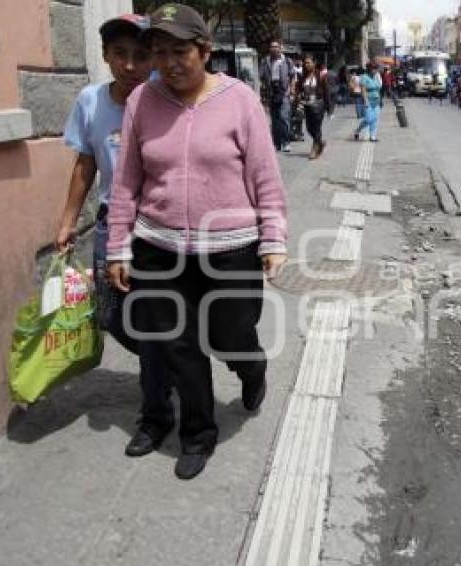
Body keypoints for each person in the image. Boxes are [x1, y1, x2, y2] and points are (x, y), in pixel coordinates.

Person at [107, 4, 288, 480]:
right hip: (159, 246)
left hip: (232, 247)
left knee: (231, 335)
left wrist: (274, 239)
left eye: (179, 51)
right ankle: (198, 434)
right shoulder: (141, 103)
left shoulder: (240, 99)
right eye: (159, 52)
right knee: (180, 345)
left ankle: (252, 369)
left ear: (205, 50)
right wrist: (118, 247)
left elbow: (265, 176)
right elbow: (126, 183)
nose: (168, 62)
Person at [55, 13, 174, 460]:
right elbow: (85, 163)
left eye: (141, 56)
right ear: (105, 56)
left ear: (154, 60)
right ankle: (167, 363)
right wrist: (67, 220)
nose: (129, 65)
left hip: (158, 228)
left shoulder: (166, 99)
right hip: (110, 225)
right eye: (120, 54)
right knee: (113, 317)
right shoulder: (90, 101)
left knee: (154, 324)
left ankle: (155, 413)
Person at [259, 39, 296, 152]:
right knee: (274, 120)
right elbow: (260, 76)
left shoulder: (287, 61)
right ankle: (276, 143)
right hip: (271, 93)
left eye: (276, 46)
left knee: (284, 117)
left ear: (280, 48)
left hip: (284, 92)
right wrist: (263, 90)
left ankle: (286, 142)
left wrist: (292, 91)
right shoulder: (265, 61)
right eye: (271, 46)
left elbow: (293, 76)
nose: (273, 48)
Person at [297, 54, 332, 160]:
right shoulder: (303, 76)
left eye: (308, 62)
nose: (306, 64)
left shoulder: (320, 75)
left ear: (314, 63)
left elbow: (326, 91)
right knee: (308, 127)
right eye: (305, 63)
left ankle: (314, 150)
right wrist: (298, 96)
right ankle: (320, 142)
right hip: (307, 105)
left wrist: (329, 108)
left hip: (318, 105)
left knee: (316, 127)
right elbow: (299, 88)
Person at [354, 62, 382, 142]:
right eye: (374, 69)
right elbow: (363, 90)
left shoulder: (376, 77)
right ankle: (357, 130)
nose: (375, 71)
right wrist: (365, 101)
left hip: (376, 101)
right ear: (369, 69)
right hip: (368, 101)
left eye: (376, 69)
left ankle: (372, 136)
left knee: (375, 119)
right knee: (368, 119)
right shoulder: (364, 77)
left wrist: (380, 100)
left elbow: (378, 89)